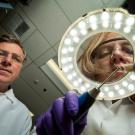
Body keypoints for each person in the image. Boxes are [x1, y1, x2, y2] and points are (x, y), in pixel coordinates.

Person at [37, 32, 135, 135]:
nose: (117, 54)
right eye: (105, 52)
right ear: (93, 63)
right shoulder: (78, 105)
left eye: (129, 49)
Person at [0, 34, 86, 135]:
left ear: (20, 69)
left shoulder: (22, 115)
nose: (8, 61)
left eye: (16, 59)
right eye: (1, 53)